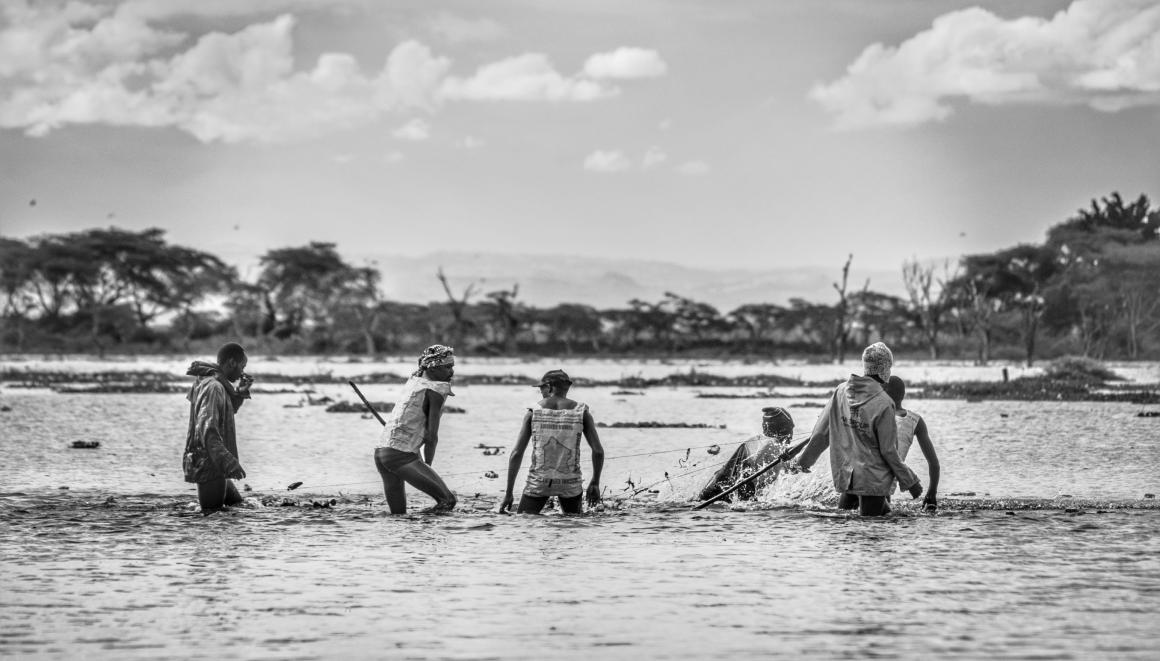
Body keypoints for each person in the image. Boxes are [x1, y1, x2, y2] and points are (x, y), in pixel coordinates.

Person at [795, 342, 922, 516]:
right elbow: (888, 451)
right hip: (872, 481)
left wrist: (803, 462)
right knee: (874, 525)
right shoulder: (884, 403)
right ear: (885, 369)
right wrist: (910, 481)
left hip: (848, 477)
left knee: (845, 523)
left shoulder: (840, 391)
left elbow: (821, 435)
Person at [500, 370, 605, 514]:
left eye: (541, 388)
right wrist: (595, 482)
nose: (541, 392)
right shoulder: (581, 412)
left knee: (525, 520)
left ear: (549, 387)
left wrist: (508, 493)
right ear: (567, 387)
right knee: (573, 522)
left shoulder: (534, 412)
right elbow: (598, 451)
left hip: (538, 482)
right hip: (570, 484)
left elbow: (516, 453)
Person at [373, 345, 459, 514]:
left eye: (452, 366)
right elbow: (431, 437)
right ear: (432, 368)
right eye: (447, 367)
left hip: (381, 453)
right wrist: (427, 466)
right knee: (448, 501)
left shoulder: (414, 382)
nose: (452, 372)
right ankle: (421, 526)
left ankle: (406, 530)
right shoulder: (435, 391)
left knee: (398, 516)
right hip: (399, 455)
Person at [182, 342, 253, 513]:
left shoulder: (214, 382)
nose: (242, 372)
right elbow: (208, 430)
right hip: (209, 463)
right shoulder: (213, 387)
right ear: (232, 362)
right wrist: (228, 462)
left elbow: (225, 412)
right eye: (242, 366)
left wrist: (240, 392)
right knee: (212, 515)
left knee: (237, 506)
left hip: (214, 461)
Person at [697, 406, 795, 502]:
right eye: (791, 428)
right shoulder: (772, 445)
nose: (792, 434)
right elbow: (790, 468)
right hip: (720, 494)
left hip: (711, 489)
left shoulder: (759, 440)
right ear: (783, 429)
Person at [884, 376, 940, 511]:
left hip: (867, 477)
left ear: (882, 394)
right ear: (903, 395)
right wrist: (932, 492)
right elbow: (934, 464)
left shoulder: (875, 415)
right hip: (887, 484)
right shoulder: (915, 421)